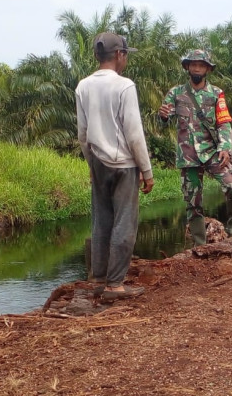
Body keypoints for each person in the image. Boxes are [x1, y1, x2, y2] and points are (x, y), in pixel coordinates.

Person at [75, 32, 154, 301]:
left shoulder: (83, 86)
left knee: (101, 220)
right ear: (119, 54)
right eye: (125, 53)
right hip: (123, 164)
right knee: (124, 222)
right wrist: (146, 170)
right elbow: (134, 133)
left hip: (97, 160)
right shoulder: (124, 86)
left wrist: (91, 163)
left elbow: (82, 134)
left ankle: (98, 278)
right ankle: (115, 284)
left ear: (97, 56)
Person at [158, 49, 232, 245]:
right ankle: (200, 243)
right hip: (188, 156)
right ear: (187, 67)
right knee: (193, 202)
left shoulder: (216, 94)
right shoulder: (175, 93)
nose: (197, 68)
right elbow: (165, 116)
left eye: (201, 65)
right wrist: (163, 116)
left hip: (213, 152)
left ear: (207, 69)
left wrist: (225, 147)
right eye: (193, 64)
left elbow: (224, 123)